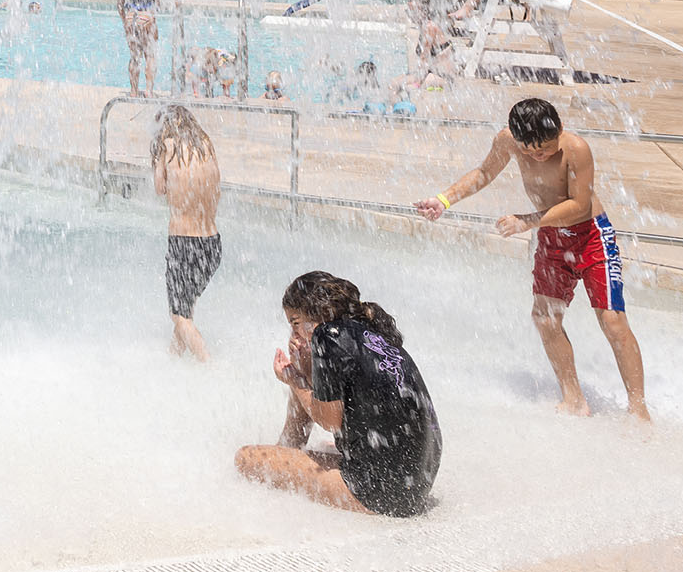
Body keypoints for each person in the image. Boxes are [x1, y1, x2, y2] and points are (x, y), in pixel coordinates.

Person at [414, 97, 650, 421]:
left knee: (612, 320)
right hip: (552, 237)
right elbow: (484, 173)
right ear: (517, 139)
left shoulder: (575, 149)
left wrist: (527, 220)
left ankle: (638, 409)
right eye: (532, 151)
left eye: (547, 148)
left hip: (591, 235)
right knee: (545, 318)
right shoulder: (507, 141)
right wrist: (444, 200)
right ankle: (574, 399)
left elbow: (580, 206)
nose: (541, 155)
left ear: (560, 130)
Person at [235, 270, 441, 517]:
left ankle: (282, 457)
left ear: (317, 314)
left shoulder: (327, 335)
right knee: (318, 439)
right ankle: (285, 452)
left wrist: (296, 380)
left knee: (246, 458)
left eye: (295, 323)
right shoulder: (366, 330)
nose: (294, 335)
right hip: (416, 482)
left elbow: (328, 419)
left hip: (382, 493)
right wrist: (305, 368)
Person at [151, 105, 222, 360]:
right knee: (187, 310)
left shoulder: (167, 146)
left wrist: (158, 159)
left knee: (179, 315)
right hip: (212, 244)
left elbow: (160, 188)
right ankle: (174, 361)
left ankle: (210, 368)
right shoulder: (205, 143)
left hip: (184, 243)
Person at [119, 0, 159, 95]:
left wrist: (124, 19)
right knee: (150, 55)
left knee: (134, 56)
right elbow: (157, 3)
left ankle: (134, 91)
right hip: (146, 17)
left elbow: (119, 2)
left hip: (130, 18)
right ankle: (148, 90)